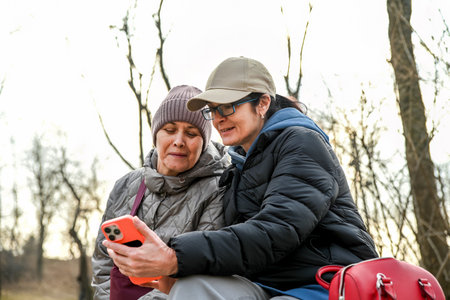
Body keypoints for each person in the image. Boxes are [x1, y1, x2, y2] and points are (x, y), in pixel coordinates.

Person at [103, 57, 379, 299]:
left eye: (228, 107)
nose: (219, 119)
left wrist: (174, 257)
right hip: (265, 284)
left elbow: (277, 231)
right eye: (213, 110)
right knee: (191, 289)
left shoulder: (302, 144)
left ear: (262, 103)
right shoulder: (237, 167)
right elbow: (238, 248)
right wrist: (173, 279)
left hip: (322, 282)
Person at [92, 85, 230, 300]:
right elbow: (103, 259)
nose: (179, 141)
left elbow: (199, 274)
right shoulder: (125, 185)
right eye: (170, 129)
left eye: (191, 133)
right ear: (156, 134)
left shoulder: (218, 189)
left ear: (204, 143)